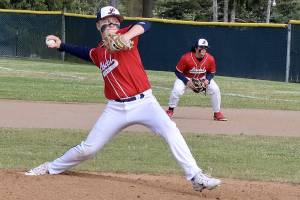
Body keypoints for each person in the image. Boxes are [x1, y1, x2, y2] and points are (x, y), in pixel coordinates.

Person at [25, 6, 221, 192]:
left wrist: (126, 36)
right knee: (88, 149)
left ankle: (196, 176)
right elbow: (85, 52)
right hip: (116, 109)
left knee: (171, 130)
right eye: (107, 21)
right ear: (98, 25)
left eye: (115, 21)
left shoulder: (128, 37)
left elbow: (145, 24)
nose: (112, 24)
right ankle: (51, 167)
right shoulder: (99, 52)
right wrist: (61, 46)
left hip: (145, 103)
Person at [165, 38, 227, 121]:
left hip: (202, 77)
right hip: (186, 77)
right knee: (177, 90)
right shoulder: (186, 57)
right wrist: (186, 81)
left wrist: (207, 80)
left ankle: (217, 113)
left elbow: (211, 73)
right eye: (201, 47)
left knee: (215, 89)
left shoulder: (210, 58)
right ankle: (170, 110)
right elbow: (178, 72)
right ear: (196, 48)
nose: (204, 49)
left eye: (205, 47)